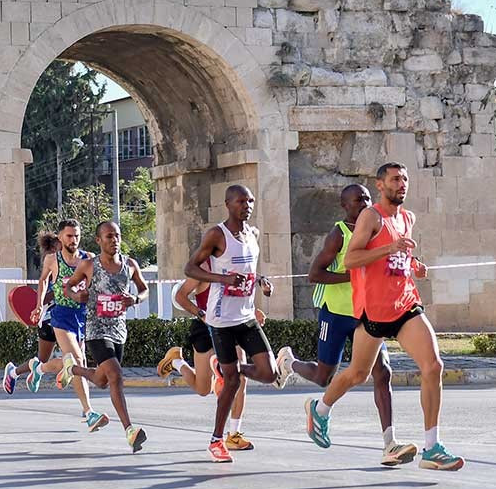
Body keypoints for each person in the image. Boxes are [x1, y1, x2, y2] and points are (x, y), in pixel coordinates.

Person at [305, 163, 464, 471]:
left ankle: (432, 448)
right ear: (380, 185)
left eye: (405, 179)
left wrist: (412, 263)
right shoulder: (371, 217)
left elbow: (399, 255)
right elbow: (351, 259)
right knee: (357, 374)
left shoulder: (408, 218)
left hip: (405, 305)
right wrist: (390, 247)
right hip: (373, 312)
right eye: (395, 179)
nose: (401, 184)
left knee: (433, 366)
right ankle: (320, 409)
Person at [275, 183, 416, 466]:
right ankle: (289, 363)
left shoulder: (377, 228)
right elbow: (315, 273)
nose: (363, 203)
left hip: (367, 314)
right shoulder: (339, 234)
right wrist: (351, 278)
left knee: (383, 372)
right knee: (323, 376)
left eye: (366, 198)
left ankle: (390, 443)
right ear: (344, 205)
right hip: (337, 313)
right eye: (356, 200)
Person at [183, 185, 279, 463]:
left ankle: (225, 368)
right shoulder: (217, 235)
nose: (247, 205)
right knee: (233, 382)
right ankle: (217, 440)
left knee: (269, 373)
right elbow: (190, 268)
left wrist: (261, 281)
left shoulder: (253, 233)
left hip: (246, 315)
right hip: (221, 318)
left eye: (250, 200)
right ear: (228, 204)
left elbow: (247, 267)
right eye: (241, 201)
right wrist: (223, 280)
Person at [57, 221, 149, 451]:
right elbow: (68, 287)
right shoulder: (89, 265)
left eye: (117, 235)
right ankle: (129, 430)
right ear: (98, 240)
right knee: (116, 376)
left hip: (119, 330)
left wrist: (135, 300)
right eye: (109, 236)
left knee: (101, 380)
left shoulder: (130, 265)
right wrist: (76, 296)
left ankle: (73, 369)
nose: (114, 240)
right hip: (96, 331)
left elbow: (144, 289)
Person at [4, 221, 100, 426]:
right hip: (59, 316)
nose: (73, 240)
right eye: (69, 236)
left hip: (82, 316)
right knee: (77, 361)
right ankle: (89, 412)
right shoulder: (52, 259)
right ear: (60, 238)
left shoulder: (89, 258)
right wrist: (38, 305)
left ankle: (35, 369)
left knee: (60, 361)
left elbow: (96, 284)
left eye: (77, 236)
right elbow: (43, 282)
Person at [156, 272, 256, 452]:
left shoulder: (237, 262)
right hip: (206, 328)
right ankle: (177, 362)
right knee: (203, 389)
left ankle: (234, 434)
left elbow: (241, 296)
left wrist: (253, 312)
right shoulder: (204, 269)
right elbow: (179, 296)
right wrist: (201, 313)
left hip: (232, 326)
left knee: (240, 378)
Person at [2, 231, 61, 395]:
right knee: (73, 358)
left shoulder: (72, 261)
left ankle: (13, 372)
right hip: (50, 317)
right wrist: (62, 292)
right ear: (56, 245)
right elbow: (44, 294)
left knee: (42, 361)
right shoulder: (52, 261)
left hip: (64, 316)